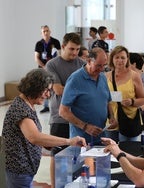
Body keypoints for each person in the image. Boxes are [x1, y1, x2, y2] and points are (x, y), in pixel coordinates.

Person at [2, 68, 86, 188]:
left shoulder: (27, 105)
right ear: (34, 87)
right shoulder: (20, 108)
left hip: (24, 171)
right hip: (19, 171)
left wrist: (47, 146)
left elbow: (28, 139)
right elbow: (34, 137)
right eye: (46, 90)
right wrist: (69, 141)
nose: (48, 95)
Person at [46, 32, 85, 187]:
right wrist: (80, 90)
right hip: (59, 118)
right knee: (57, 156)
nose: (75, 53)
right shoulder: (52, 65)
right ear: (63, 47)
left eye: (77, 50)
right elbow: (58, 90)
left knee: (76, 156)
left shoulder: (81, 63)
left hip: (78, 118)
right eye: (71, 49)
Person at [59, 47, 116, 145]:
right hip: (81, 140)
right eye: (98, 65)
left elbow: (107, 100)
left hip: (101, 137)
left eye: (104, 66)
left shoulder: (102, 77)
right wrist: (85, 127)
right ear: (89, 61)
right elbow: (63, 112)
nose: (101, 69)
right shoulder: (75, 80)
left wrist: (112, 116)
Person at [105, 46, 144, 142]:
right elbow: (104, 99)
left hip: (129, 119)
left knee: (128, 151)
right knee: (111, 151)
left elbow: (143, 99)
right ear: (112, 59)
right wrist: (110, 115)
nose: (120, 60)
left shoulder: (134, 76)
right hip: (112, 120)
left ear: (127, 59)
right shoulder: (106, 76)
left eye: (123, 58)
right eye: (117, 57)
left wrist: (131, 101)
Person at [34, 25, 61, 113]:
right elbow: (37, 58)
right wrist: (45, 67)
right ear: (41, 33)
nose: (45, 33)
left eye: (47, 31)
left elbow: (60, 55)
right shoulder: (39, 44)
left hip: (54, 68)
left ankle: (56, 105)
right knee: (44, 86)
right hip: (43, 68)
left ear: (50, 31)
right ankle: (46, 106)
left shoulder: (55, 42)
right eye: (43, 31)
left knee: (55, 86)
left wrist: (53, 66)